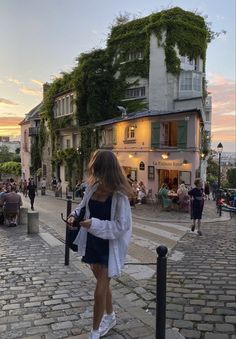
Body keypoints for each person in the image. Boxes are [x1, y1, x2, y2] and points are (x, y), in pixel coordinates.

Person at [67, 150, 133, 339]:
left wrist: (94, 224)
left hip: (109, 247)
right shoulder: (93, 188)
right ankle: (111, 316)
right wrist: (74, 215)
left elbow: (122, 227)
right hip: (92, 242)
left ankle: (94, 332)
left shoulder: (120, 196)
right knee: (102, 285)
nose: (95, 173)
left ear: (107, 170)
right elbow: (82, 206)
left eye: (98, 169)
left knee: (99, 290)